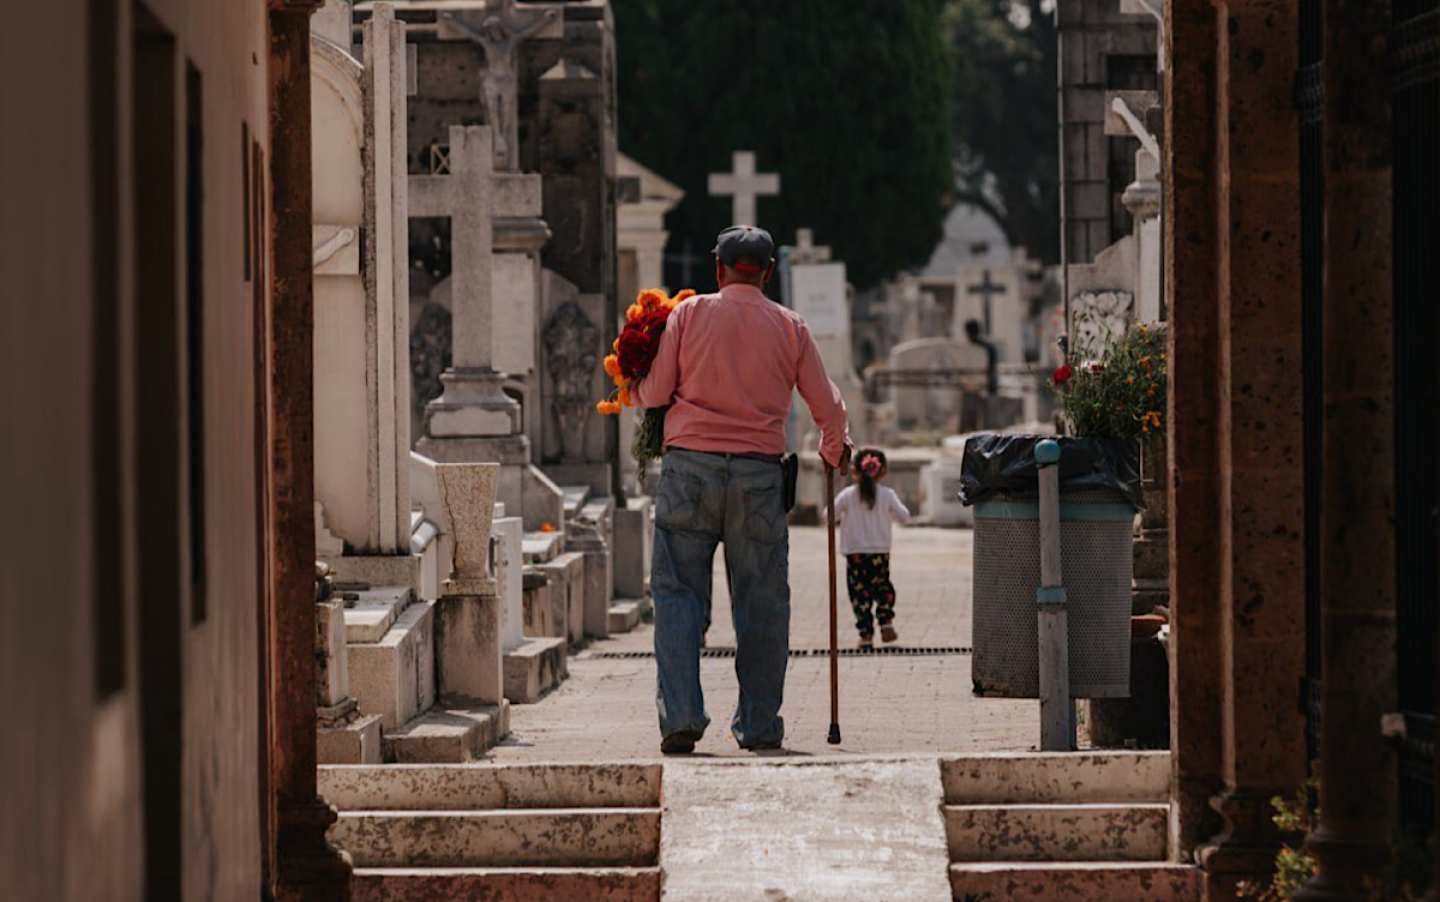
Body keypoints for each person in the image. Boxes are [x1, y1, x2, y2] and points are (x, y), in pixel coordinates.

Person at [631, 225, 852, 755]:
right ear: (769, 273)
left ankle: (681, 715)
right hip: (758, 477)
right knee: (762, 604)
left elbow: (657, 392)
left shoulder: (689, 314)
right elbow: (827, 406)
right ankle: (758, 725)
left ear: (718, 269)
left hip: (689, 472)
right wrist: (833, 448)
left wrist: (631, 388)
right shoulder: (790, 326)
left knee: (677, 595)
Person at [830, 448, 910, 649]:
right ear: (883, 472)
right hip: (880, 553)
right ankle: (885, 621)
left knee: (859, 594)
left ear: (854, 471)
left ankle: (866, 635)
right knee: (882, 587)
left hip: (855, 553)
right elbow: (904, 516)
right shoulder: (887, 495)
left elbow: (827, 514)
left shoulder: (848, 495)